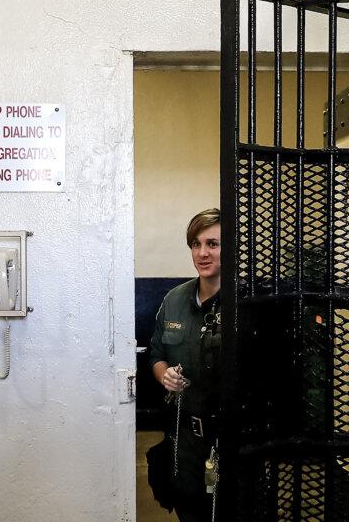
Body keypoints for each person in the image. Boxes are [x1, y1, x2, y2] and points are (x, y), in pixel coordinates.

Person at [148, 208, 222, 522]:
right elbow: (156, 355)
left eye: (213, 244)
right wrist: (163, 374)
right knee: (190, 511)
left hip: (229, 440)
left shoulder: (248, 304)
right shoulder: (174, 300)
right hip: (186, 442)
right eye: (195, 244)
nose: (202, 253)